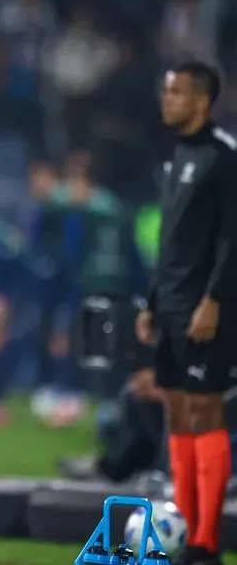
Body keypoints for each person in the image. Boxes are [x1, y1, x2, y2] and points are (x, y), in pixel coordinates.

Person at [135, 60, 237, 565]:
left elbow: (232, 238)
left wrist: (214, 299)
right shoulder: (177, 156)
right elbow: (170, 241)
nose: (166, 100)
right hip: (172, 307)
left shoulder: (223, 157)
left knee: (204, 410)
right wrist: (153, 303)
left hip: (205, 308)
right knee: (176, 411)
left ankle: (206, 543)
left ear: (201, 100)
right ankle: (187, 532)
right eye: (166, 91)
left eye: (175, 92)